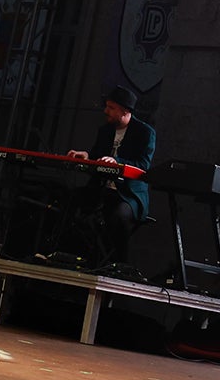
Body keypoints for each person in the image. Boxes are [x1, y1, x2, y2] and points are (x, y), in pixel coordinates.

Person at [66, 86, 156, 266]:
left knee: (119, 216)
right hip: (101, 190)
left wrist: (117, 162)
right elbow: (97, 156)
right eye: (106, 106)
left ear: (125, 111)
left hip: (128, 195)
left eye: (111, 107)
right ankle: (73, 256)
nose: (105, 111)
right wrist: (87, 158)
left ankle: (119, 264)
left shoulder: (145, 132)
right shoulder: (105, 130)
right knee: (69, 201)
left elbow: (143, 165)